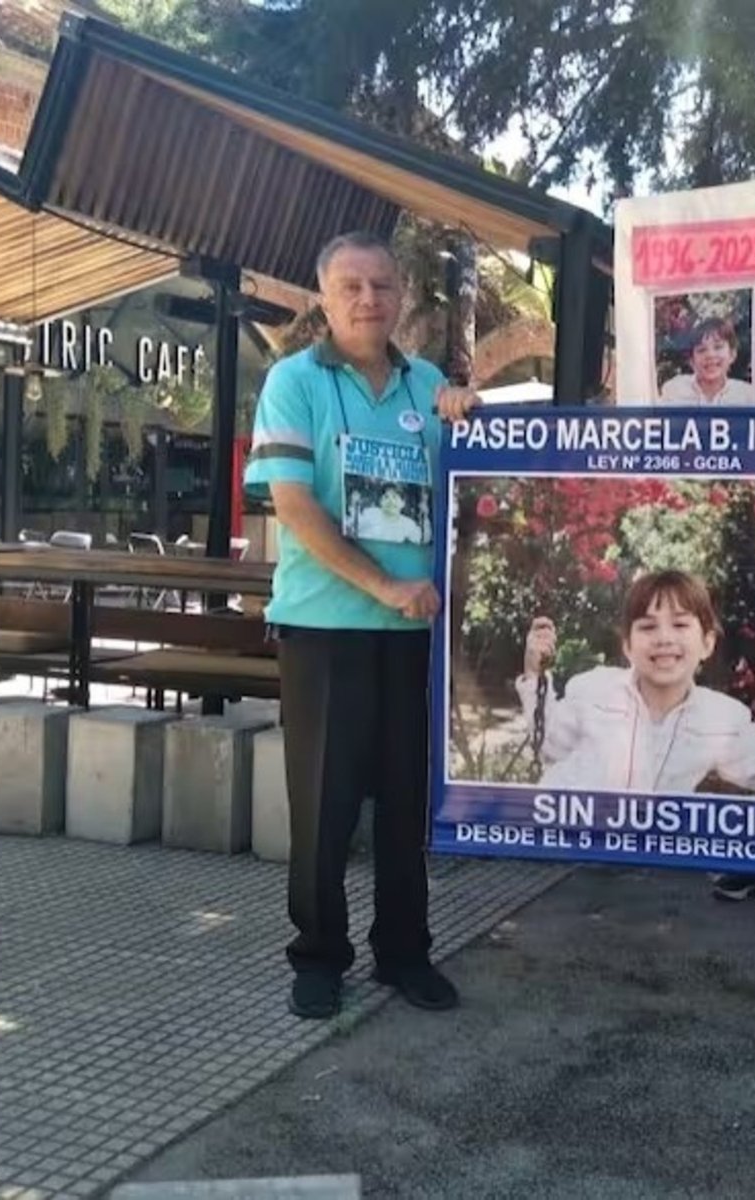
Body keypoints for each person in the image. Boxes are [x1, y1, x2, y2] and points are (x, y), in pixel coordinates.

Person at [244, 230, 479, 1021]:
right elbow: (294, 507)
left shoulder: (428, 390)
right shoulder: (293, 382)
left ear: (402, 296)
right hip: (326, 631)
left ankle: (404, 953)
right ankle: (317, 958)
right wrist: (383, 585)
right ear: (324, 297)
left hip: (414, 637)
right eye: (351, 286)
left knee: (407, 804)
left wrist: (469, 420)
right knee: (324, 805)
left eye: (381, 285)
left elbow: (478, 497)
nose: (368, 300)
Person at [518, 569, 755, 910]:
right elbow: (548, 744)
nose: (664, 638)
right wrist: (535, 673)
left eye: (680, 625)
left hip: (637, 879)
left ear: (707, 644)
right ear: (627, 645)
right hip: (567, 861)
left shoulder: (721, 718)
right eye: (648, 626)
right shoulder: (593, 690)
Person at [658, 317, 755, 403]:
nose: (710, 355)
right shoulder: (673, 391)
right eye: (701, 350)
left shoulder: (747, 396)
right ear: (691, 360)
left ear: (732, 355)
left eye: (718, 347)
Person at [355, 485, 425, 544]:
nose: (390, 501)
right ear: (381, 502)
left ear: (403, 503)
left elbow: (422, 541)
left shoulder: (409, 525)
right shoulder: (370, 514)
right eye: (386, 497)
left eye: (394, 497)